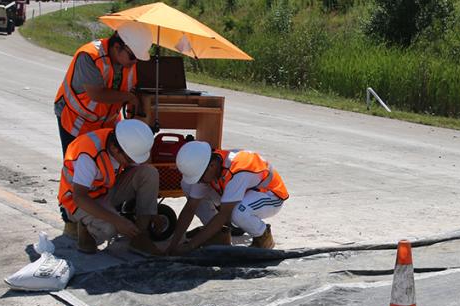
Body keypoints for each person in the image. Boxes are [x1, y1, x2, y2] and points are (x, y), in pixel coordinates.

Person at [54, 22, 153, 238]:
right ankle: (71, 218)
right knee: (77, 172)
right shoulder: (89, 56)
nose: (134, 63)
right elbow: (97, 94)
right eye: (132, 57)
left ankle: (102, 210)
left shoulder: (128, 62)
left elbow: (129, 86)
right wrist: (127, 97)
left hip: (106, 122)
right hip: (76, 120)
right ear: (118, 47)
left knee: (109, 168)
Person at [57, 119, 162, 256]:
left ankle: (140, 236)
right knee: (111, 228)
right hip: (78, 201)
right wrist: (117, 220)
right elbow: (79, 197)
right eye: (130, 159)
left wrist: (151, 212)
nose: (133, 162)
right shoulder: (88, 154)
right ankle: (88, 231)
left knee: (149, 172)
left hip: (104, 191)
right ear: (115, 149)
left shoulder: (123, 142)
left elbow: (139, 171)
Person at [166, 141, 288, 255]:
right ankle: (219, 235)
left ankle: (263, 237)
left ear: (212, 166)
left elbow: (224, 214)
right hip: (242, 193)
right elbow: (190, 208)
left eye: (200, 178)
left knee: (238, 212)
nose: (199, 182)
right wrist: (173, 245)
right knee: (189, 185)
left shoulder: (238, 170)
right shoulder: (209, 166)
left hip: (270, 196)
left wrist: (190, 246)